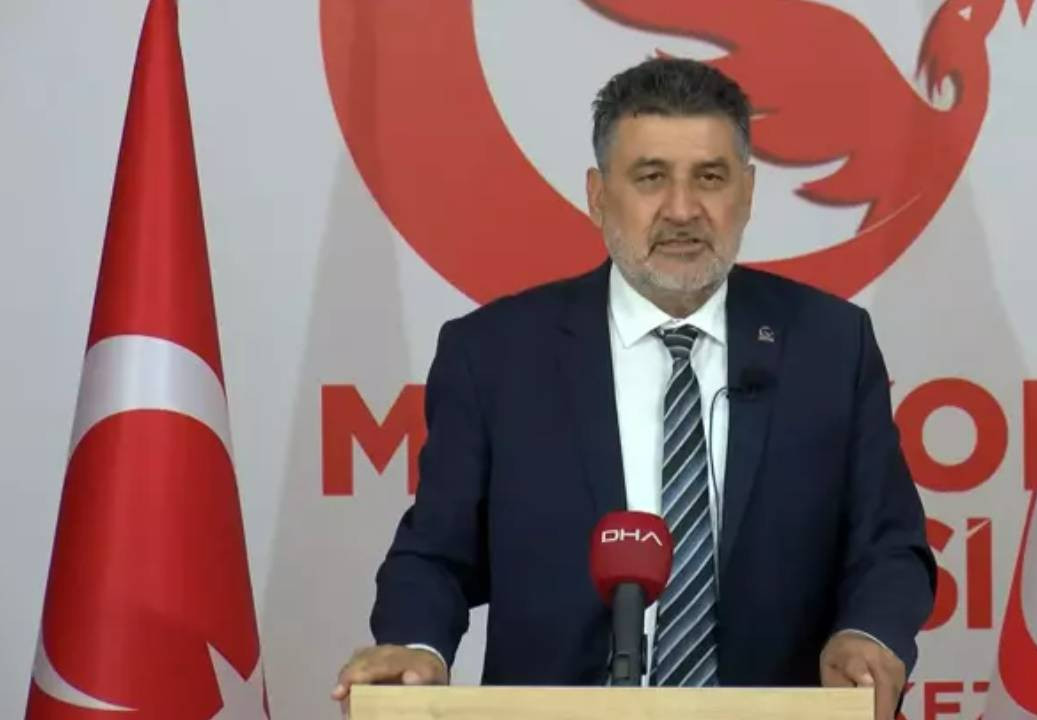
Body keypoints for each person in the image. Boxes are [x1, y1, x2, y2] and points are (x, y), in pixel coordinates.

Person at [334, 58, 935, 719]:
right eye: (650, 177)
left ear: (747, 192)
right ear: (598, 195)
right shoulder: (496, 356)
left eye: (710, 177)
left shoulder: (829, 345)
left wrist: (869, 634)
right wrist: (417, 648)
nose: (682, 210)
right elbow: (435, 554)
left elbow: (889, 545)